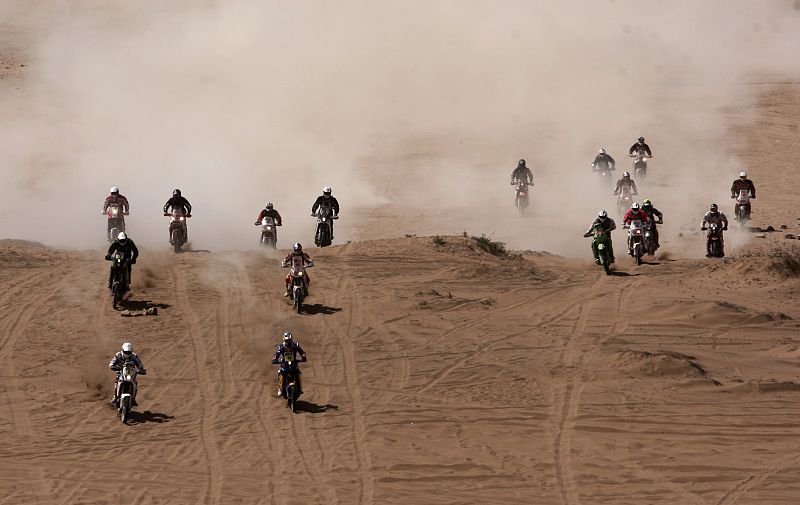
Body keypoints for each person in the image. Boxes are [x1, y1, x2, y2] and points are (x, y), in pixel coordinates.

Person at [271, 331, 307, 397]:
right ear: (284, 340)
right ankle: (279, 389)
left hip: (294, 363)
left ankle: (299, 388)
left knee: (298, 373)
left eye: (289, 340)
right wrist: (275, 359)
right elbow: (276, 355)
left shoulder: (296, 346)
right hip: (284, 364)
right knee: (280, 372)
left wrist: (303, 357)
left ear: (292, 340)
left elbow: (302, 352)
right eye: (287, 340)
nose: (288, 342)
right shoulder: (281, 347)